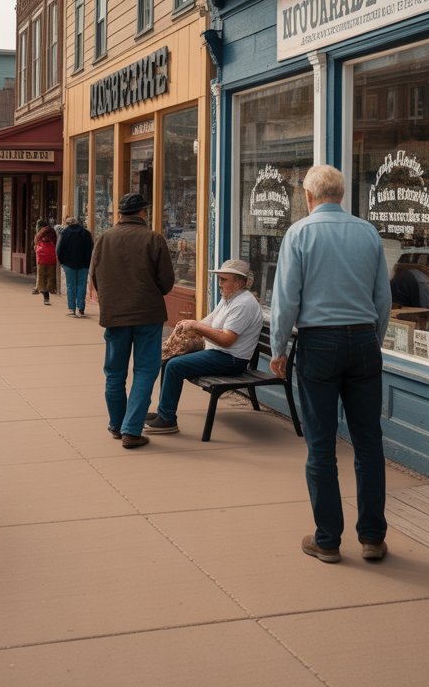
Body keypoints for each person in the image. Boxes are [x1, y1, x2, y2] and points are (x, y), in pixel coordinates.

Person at [269, 164, 392, 565]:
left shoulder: (300, 233)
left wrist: (278, 348)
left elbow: (286, 300)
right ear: (342, 195)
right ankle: (372, 537)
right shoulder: (368, 232)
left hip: (318, 342)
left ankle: (328, 539)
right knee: (368, 443)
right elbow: (382, 300)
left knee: (321, 445)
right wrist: (371, 340)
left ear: (308, 197)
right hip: (362, 339)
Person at [89, 192, 175, 449]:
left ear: (120, 214)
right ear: (143, 212)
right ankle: (131, 429)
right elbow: (167, 282)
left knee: (114, 373)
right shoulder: (153, 238)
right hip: (147, 314)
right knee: (145, 372)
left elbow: (95, 279)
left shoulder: (104, 239)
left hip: (115, 316)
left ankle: (117, 424)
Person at [144, 258, 263, 435]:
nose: (219, 284)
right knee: (169, 358)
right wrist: (189, 324)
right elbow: (211, 320)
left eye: (224, 280)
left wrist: (196, 326)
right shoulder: (229, 298)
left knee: (175, 366)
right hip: (217, 352)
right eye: (219, 279)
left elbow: (226, 340)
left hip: (231, 359)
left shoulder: (243, 304)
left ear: (239, 282)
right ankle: (164, 411)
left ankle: (167, 419)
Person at [56, 215, 93, 317]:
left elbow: (59, 250)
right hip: (84, 264)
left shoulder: (64, 234)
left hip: (68, 264)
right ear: (77, 223)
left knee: (71, 286)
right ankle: (80, 309)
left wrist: (62, 261)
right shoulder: (86, 233)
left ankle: (72, 309)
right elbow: (90, 249)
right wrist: (88, 262)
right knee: (82, 285)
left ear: (67, 224)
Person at [34, 218, 58, 305]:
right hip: (51, 257)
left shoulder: (40, 233)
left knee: (42, 277)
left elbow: (36, 242)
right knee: (50, 276)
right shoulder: (52, 231)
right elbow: (56, 243)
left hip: (42, 258)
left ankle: (46, 297)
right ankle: (50, 290)